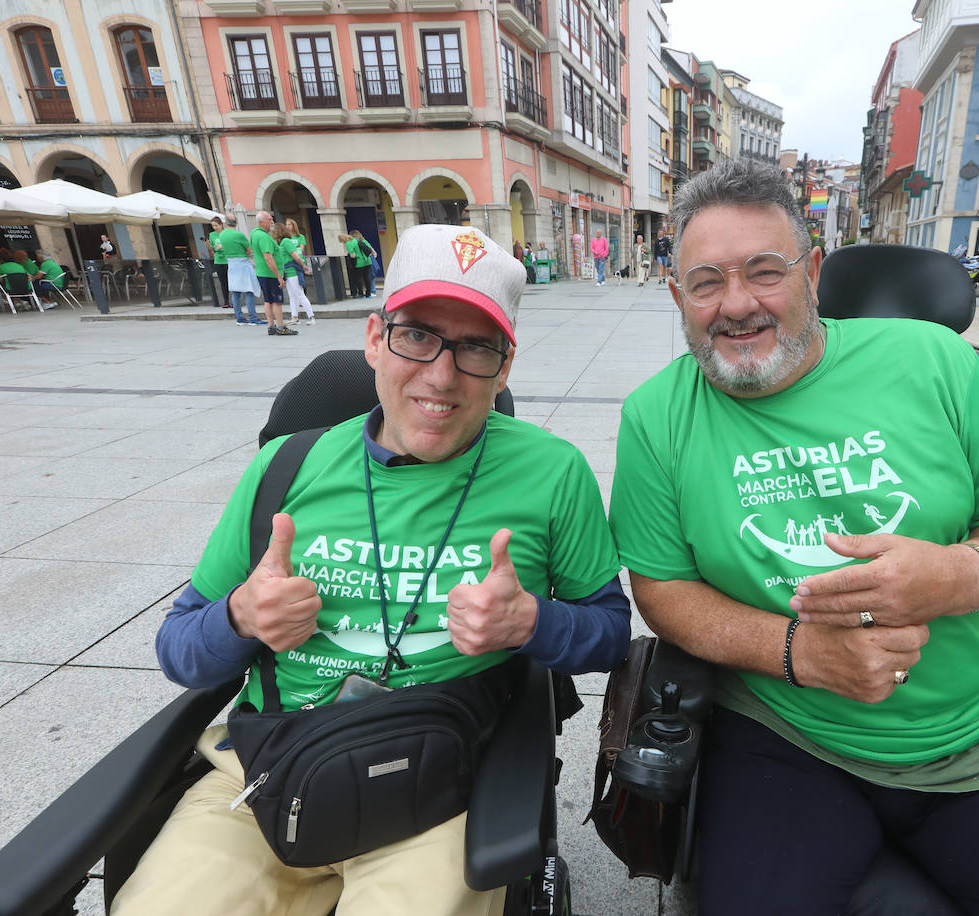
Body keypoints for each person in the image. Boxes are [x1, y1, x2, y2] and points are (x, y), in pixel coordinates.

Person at [609, 159, 979, 916]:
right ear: (678, 295)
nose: (736, 304)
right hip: (786, 737)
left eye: (765, 271)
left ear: (813, 271)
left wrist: (959, 576)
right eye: (706, 282)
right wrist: (801, 653)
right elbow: (663, 592)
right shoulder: (655, 417)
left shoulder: (934, 361)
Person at [110, 222, 629, 916]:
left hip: (444, 780)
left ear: (505, 367)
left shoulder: (551, 471)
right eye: (417, 335)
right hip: (267, 774)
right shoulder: (286, 466)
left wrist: (532, 621)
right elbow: (179, 650)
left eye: (476, 347)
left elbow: (611, 634)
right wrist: (240, 617)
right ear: (375, 339)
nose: (441, 376)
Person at [252, 211, 292, 336]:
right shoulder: (264, 237)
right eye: (269, 220)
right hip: (270, 274)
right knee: (276, 301)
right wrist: (279, 276)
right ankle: (281, 327)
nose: (272, 222)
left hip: (262, 273)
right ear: (261, 222)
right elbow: (268, 257)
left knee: (268, 300)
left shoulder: (254, 233)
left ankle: (271, 326)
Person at [220, 215, 265, 327]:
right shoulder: (239, 235)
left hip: (231, 263)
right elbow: (249, 250)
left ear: (226, 223)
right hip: (242, 263)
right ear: (236, 222)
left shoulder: (222, 234)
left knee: (236, 292)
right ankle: (253, 317)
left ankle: (239, 317)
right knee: (249, 290)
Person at [274, 221, 315, 326]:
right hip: (288, 272)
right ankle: (295, 317)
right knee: (293, 296)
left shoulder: (286, 242)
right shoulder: (283, 242)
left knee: (300, 294)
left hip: (292, 271)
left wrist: (303, 266)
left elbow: (295, 256)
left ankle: (311, 317)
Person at [208, 217, 231, 308]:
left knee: (231, 281)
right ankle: (226, 301)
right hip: (218, 260)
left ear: (221, 224)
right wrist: (209, 246)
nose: (215, 227)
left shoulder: (226, 233)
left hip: (228, 259)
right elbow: (212, 248)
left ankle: (234, 300)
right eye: (213, 226)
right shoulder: (212, 235)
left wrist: (223, 245)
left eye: (216, 225)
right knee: (223, 281)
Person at [344, 230, 373, 299]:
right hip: (367, 261)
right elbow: (370, 250)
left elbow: (353, 255)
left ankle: (361, 294)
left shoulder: (349, 243)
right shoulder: (363, 240)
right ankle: (368, 294)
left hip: (358, 263)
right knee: (367, 277)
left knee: (359, 278)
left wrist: (348, 254)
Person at [352, 229, 379, 297]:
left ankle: (370, 291)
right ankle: (371, 292)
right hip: (368, 261)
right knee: (369, 276)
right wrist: (374, 254)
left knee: (365, 277)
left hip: (362, 262)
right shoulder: (364, 241)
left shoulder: (355, 243)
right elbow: (371, 249)